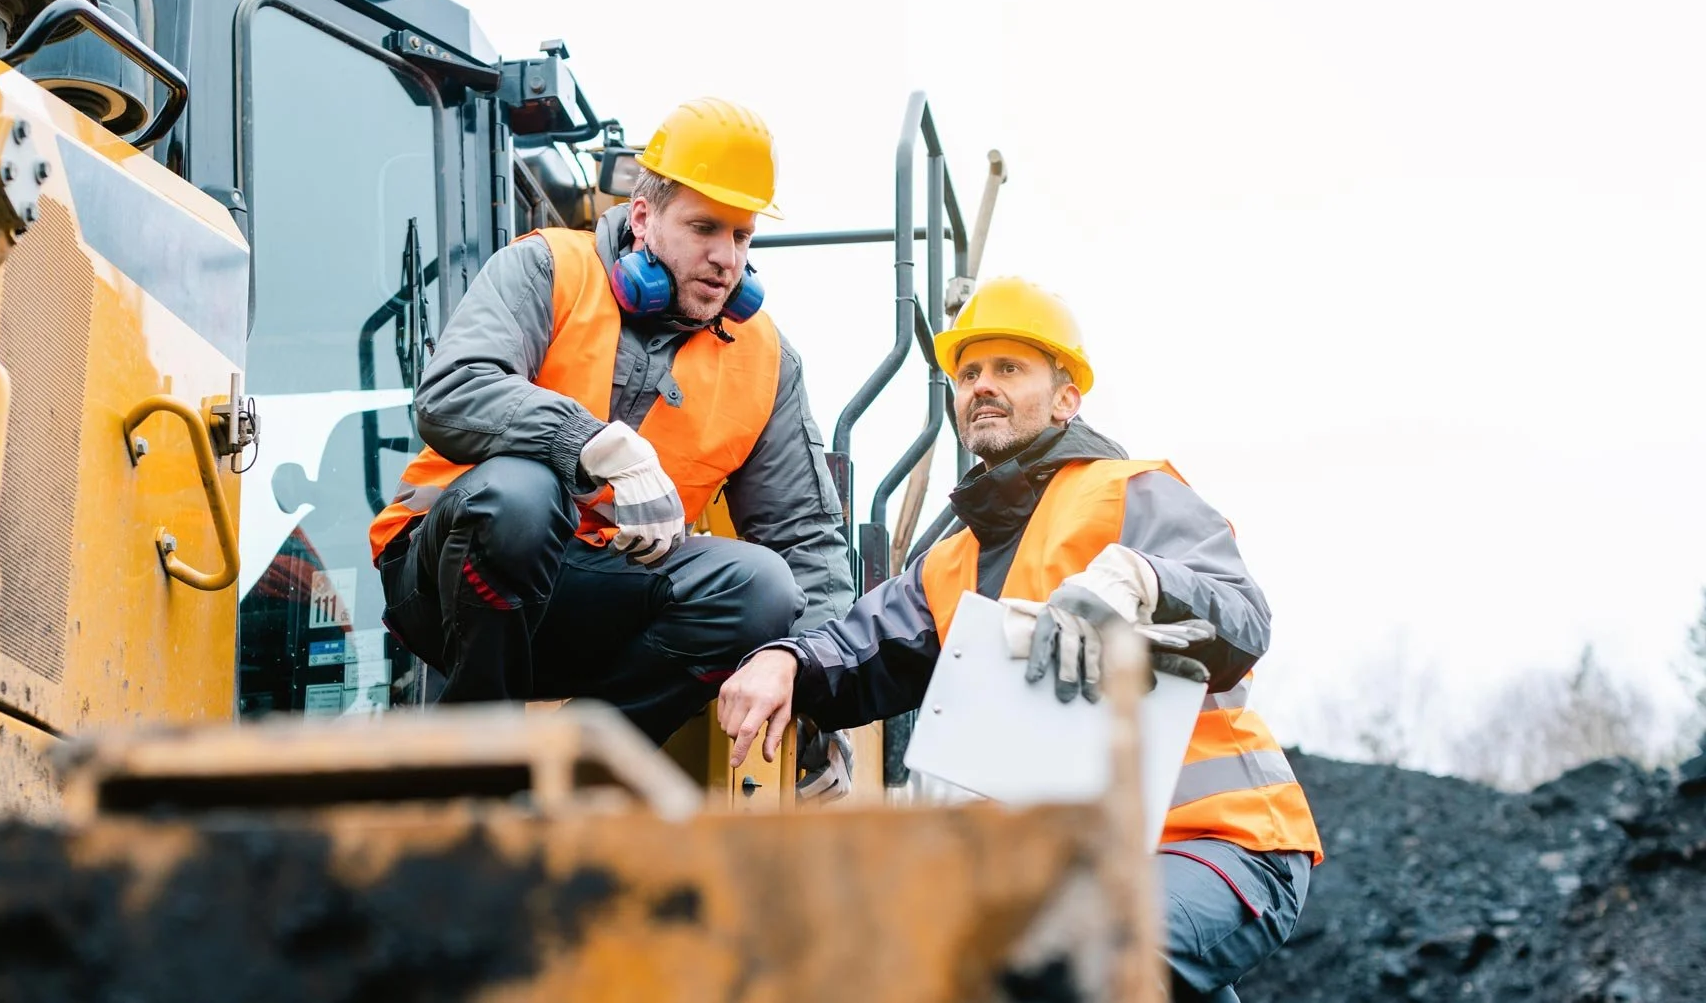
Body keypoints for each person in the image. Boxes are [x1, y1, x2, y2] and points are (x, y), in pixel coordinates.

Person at [714, 275, 1322, 998]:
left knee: (1065, 955)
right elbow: (857, 650)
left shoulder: (1129, 493)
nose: (983, 386)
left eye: (1010, 368)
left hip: (1222, 839)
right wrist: (786, 658)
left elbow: (1243, 617)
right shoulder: (951, 563)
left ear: (1066, 397)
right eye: (969, 373)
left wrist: (1143, 579)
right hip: (1094, 867)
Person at [368, 98, 856, 767]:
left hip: (602, 600)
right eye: (705, 227)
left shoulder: (767, 359)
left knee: (763, 589)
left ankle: (581, 767)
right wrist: (587, 444)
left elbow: (804, 538)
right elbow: (454, 391)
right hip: (453, 579)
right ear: (644, 217)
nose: (726, 258)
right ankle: (475, 761)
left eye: (742, 236)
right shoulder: (546, 269)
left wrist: (820, 695)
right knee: (521, 495)